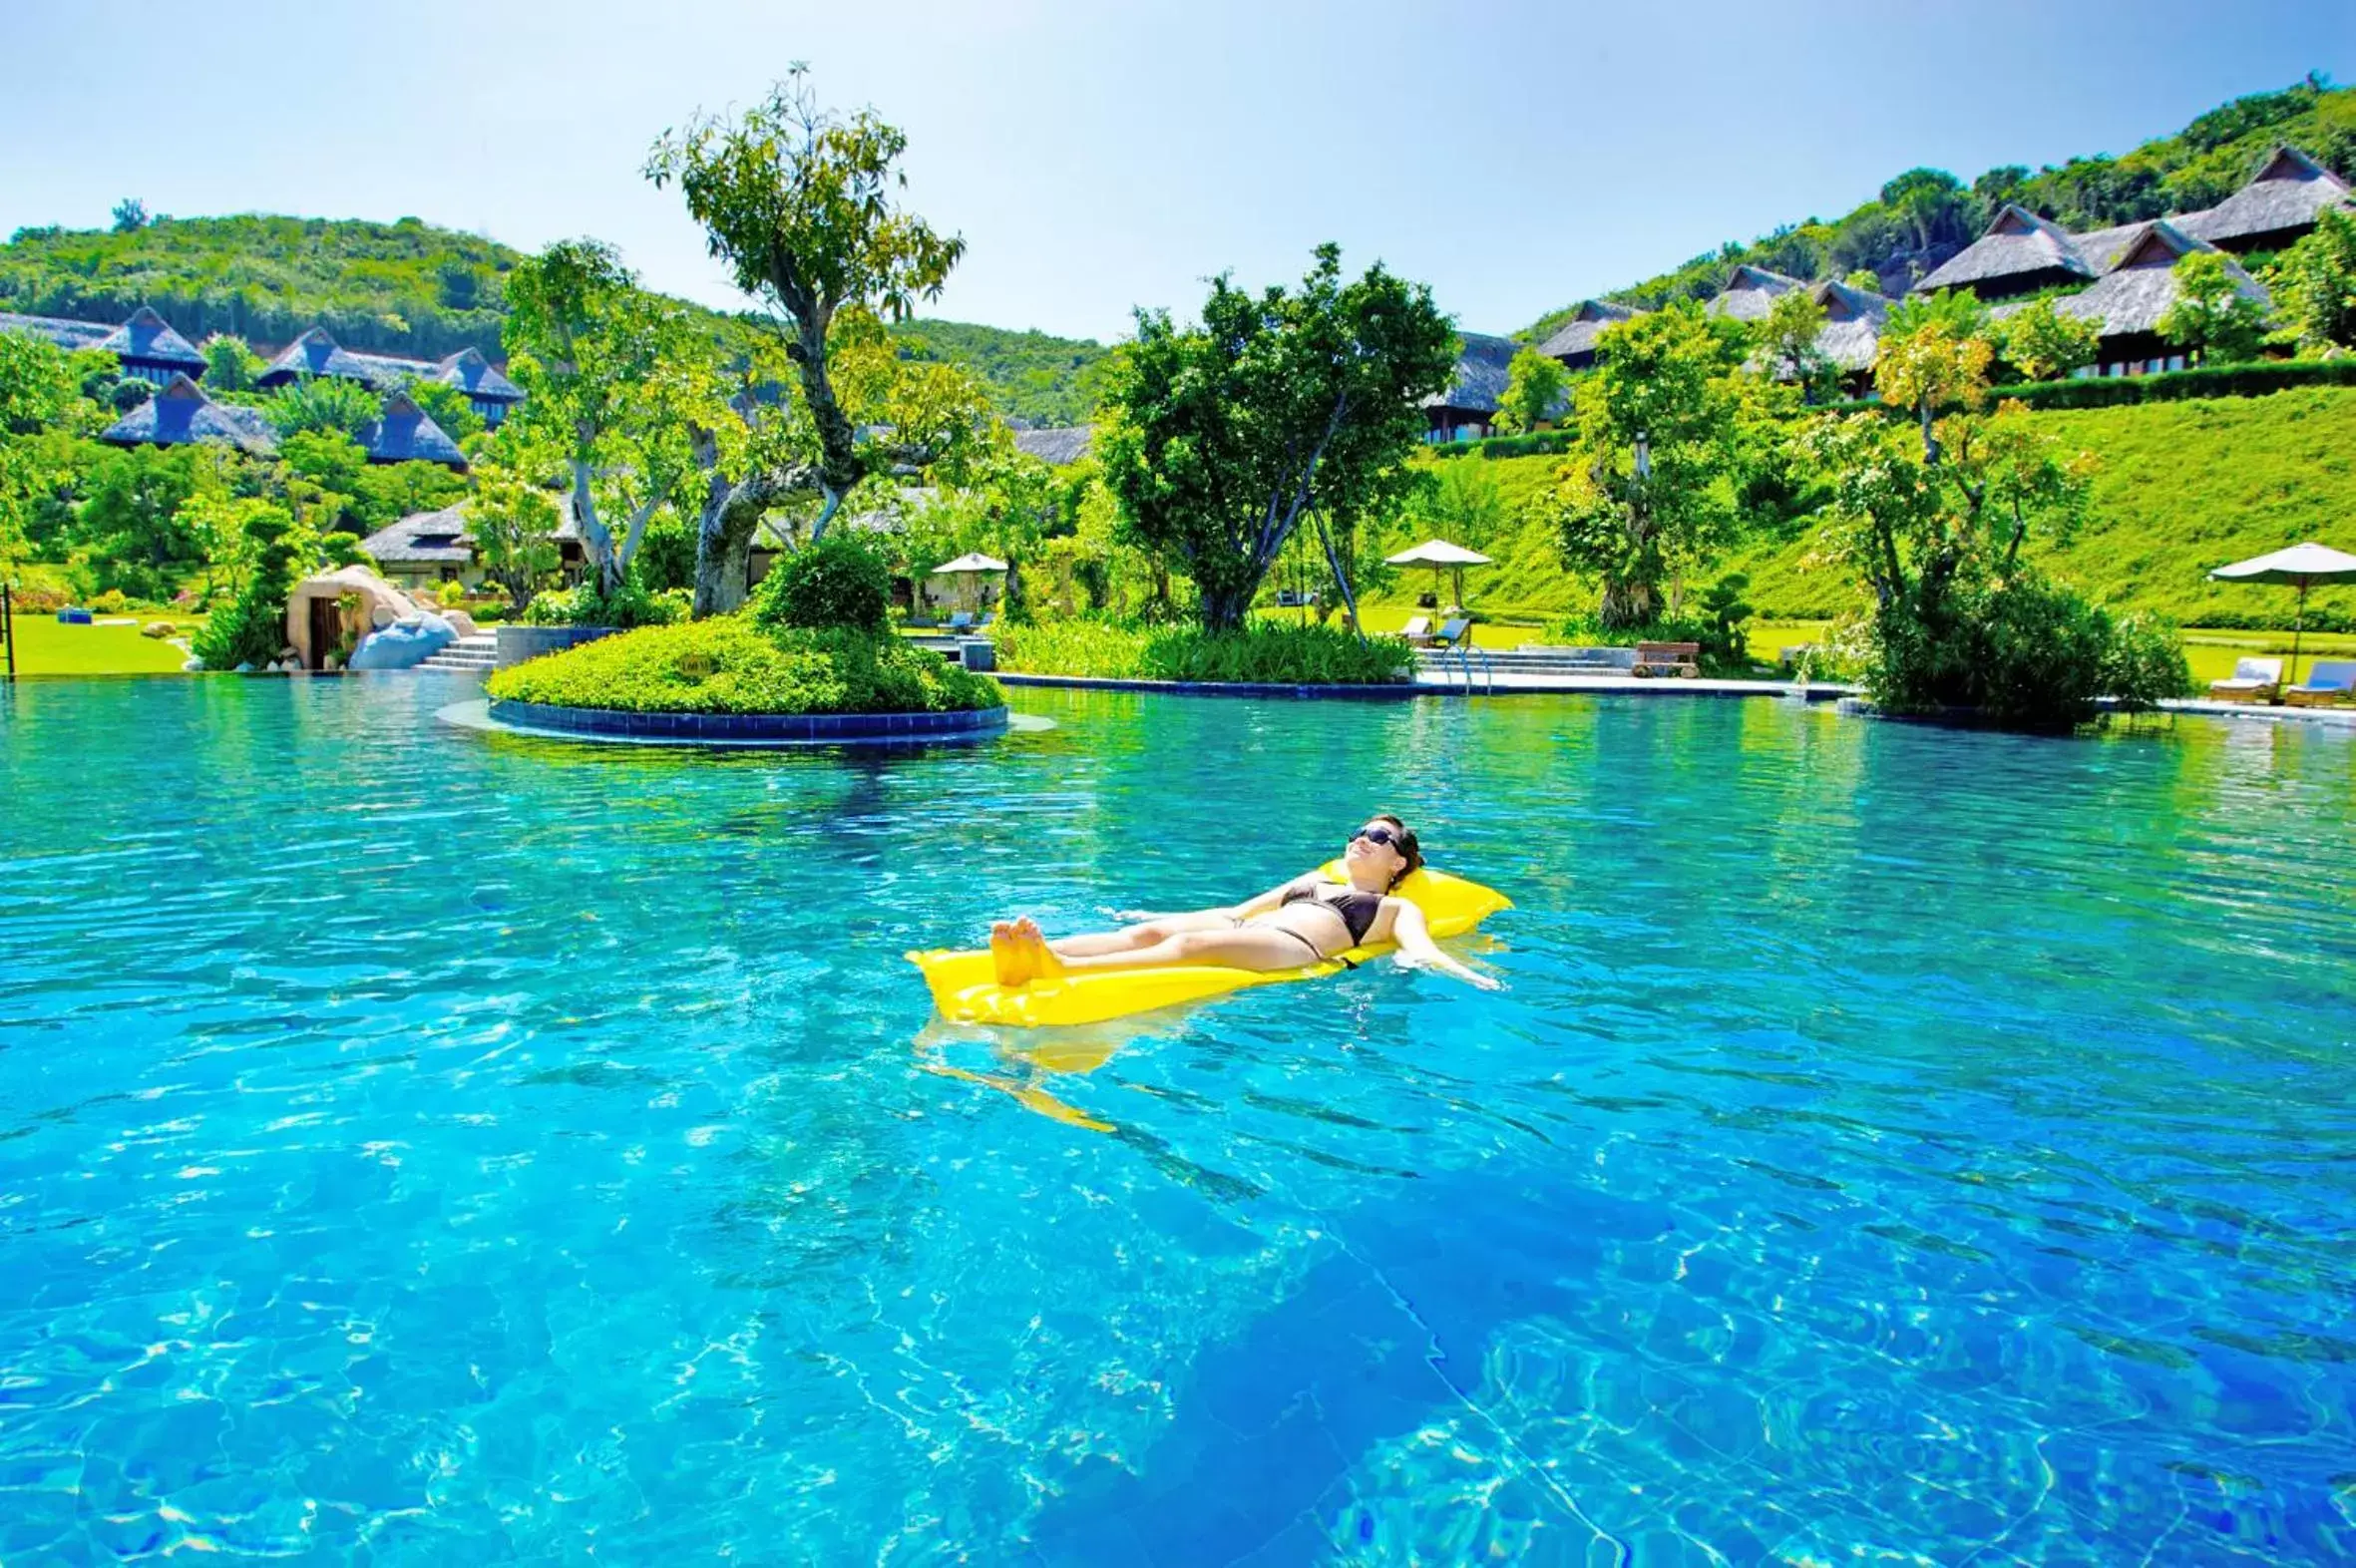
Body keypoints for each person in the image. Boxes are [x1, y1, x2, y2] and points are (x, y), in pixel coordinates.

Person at [988, 814, 1501, 991]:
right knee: (1155, 935)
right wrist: (1152, 920)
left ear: (1398, 865)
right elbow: (1241, 911)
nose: (1362, 839)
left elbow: (1421, 949)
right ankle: (1046, 950)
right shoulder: (1314, 879)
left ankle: (1058, 969)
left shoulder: (1393, 908)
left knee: (1192, 943)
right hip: (1261, 932)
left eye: (1378, 836)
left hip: (1296, 948)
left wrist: (1470, 975)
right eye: (1358, 832)